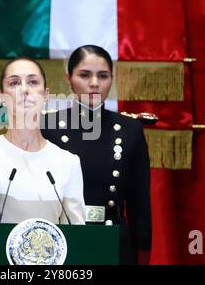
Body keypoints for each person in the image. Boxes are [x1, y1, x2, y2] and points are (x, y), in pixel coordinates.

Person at [41, 45, 152, 264]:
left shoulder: (130, 129)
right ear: (69, 79)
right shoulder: (47, 126)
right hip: (60, 240)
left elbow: (139, 201)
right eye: (84, 75)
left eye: (103, 76)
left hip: (112, 241)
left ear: (112, 78)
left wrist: (143, 249)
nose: (94, 83)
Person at [0, 58, 85, 225]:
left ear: (46, 95)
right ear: (1, 97)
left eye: (33, 82)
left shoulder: (68, 162)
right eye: (14, 83)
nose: (24, 90)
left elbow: (75, 231)